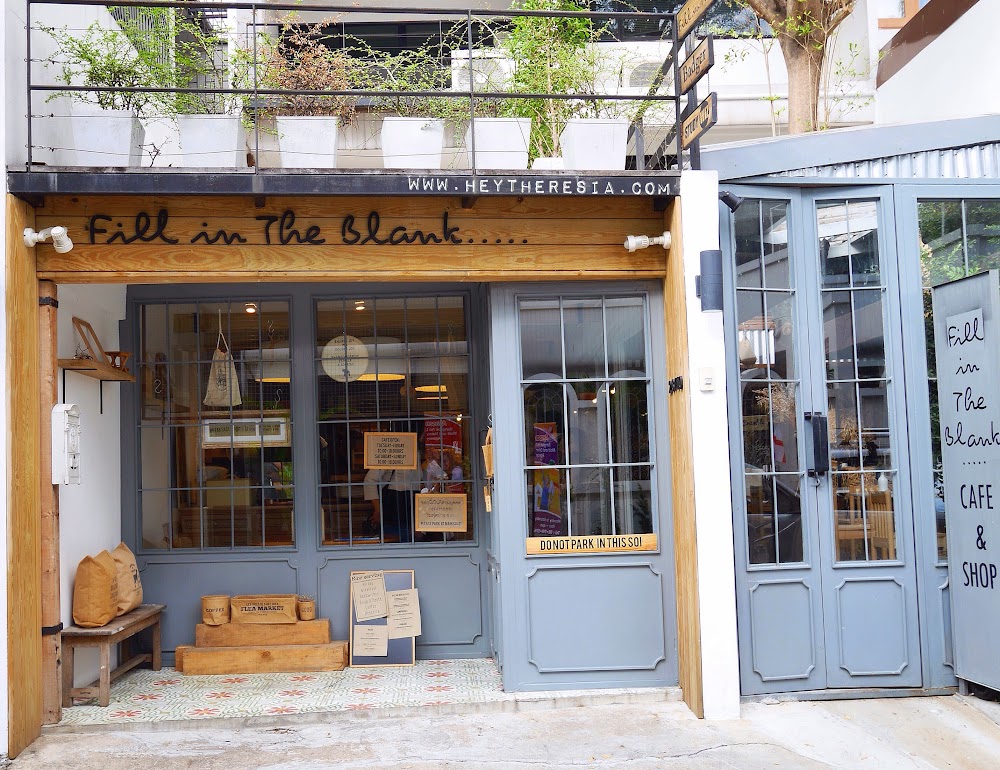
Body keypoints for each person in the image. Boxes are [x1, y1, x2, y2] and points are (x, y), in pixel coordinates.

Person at [363, 466, 418, 542]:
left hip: (413, 508)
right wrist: (378, 510)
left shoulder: (420, 460)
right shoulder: (390, 459)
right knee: (394, 541)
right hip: (394, 506)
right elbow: (370, 480)